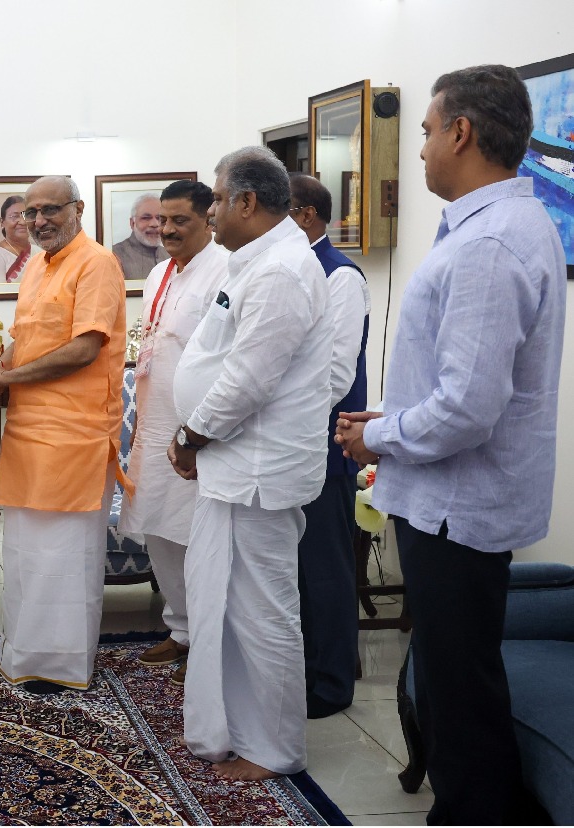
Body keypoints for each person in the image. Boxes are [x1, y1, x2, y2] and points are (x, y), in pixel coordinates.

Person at [336, 64, 565, 824]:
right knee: (454, 674)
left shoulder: (490, 244)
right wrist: (389, 427)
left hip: (455, 507)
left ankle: (477, 812)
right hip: (450, 499)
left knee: (462, 688)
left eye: (428, 132)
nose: (424, 149)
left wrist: (382, 438)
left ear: (461, 132)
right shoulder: (488, 228)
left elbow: (467, 409)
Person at [170, 146, 332, 781]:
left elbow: (249, 378)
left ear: (245, 202)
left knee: (262, 612)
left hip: (259, 472)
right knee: (223, 606)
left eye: (215, 198)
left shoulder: (283, 271)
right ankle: (233, 728)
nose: (210, 210)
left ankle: (275, 748)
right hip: (233, 468)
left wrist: (193, 435)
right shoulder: (254, 262)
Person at [0, 175, 128, 694]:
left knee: (66, 558)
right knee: (24, 554)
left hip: (75, 434)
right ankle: (25, 655)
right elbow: (25, 338)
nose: (38, 221)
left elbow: (86, 347)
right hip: (28, 430)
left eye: (50, 210)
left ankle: (63, 666)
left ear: (78, 209)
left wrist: (7, 377)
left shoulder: (97, 262)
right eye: (30, 212)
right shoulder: (37, 264)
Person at [117, 180, 227, 681]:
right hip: (154, 417)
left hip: (197, 427)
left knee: (194, 537)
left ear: (209, 219)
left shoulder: (224, 270)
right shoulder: (159, 271)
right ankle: (179, 630)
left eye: (179, 220)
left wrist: (198, 431)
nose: (167, 230)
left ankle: (208, 642)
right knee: (158, 527)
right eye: (162, 220)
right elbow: (146, 340)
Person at [287, 172, 371, 719]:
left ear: (308, 215)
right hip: (289, 444)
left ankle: (333, 681)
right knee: (296, 572)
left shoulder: (340, 276)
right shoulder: (290, 268)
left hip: (323, 443)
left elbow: (336, 374)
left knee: (326, 572)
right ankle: (304, 668)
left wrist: (286, 418)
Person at [112, 193, 169, 280]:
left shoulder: (170, 255)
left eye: (160, 218)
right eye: (146, 218)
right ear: (132, 223)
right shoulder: (114, 256)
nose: (155, 224)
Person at [0, 195, 32, 283]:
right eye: (14, 216)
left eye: (26, 215)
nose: (23, 222)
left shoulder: (39, 252)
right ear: (2, 222)